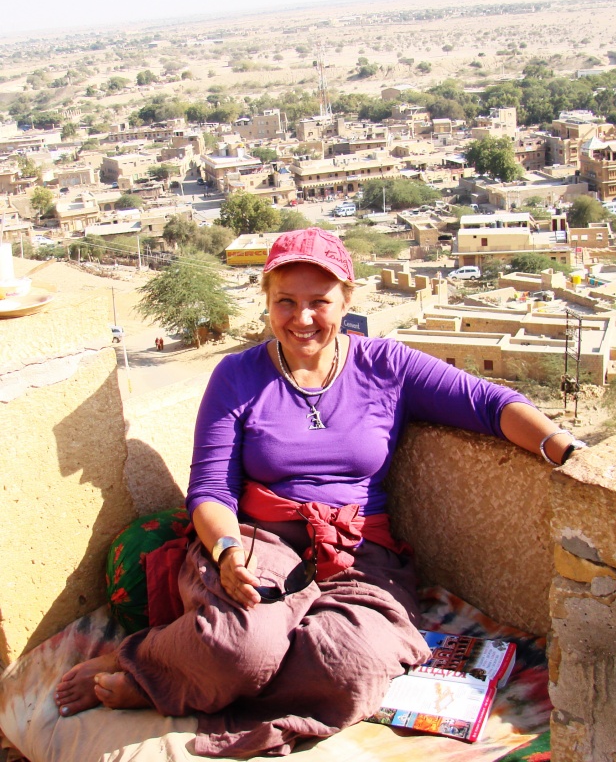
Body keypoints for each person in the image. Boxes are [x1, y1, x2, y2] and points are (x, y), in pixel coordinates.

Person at [54, 228, 584, 757]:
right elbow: (211, 488)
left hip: (358, 555)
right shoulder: (236, 375)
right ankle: (145, 662)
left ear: (346, 301)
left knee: (354, 667)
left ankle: (177, 673)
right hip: (259, 544)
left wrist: (563, 448)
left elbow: (490, 404)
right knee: (243, 647)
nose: (302, 318)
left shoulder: (388, 366)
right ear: (267, 302)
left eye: (319, 302)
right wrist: (226, 550)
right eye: (285, 301)